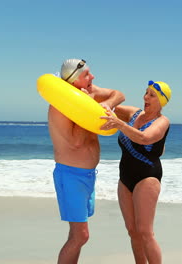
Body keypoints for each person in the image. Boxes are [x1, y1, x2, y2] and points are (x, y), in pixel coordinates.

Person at [48, 58, 125, 264]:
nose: (92, 77)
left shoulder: (90, 91)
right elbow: (76, 143)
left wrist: (106, 104)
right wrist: (85, 108)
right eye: (87, 75)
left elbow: (119, 95)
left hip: (88, 176)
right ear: (74, 82)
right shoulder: (60, 107)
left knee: (80, 235)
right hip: (71, 175)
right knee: (80, 235)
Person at [100, 80, 171, 264]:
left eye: (151, 95)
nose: (145, 97)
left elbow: (144, 138)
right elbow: (108, 105)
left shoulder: (162, 122)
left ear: (161, 101)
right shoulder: (134, 113)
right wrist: (87, 93)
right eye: (146, 93)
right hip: (125, 177)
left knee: (145, 232)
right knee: (132, 231)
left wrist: (119, 124)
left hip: (147, 177)